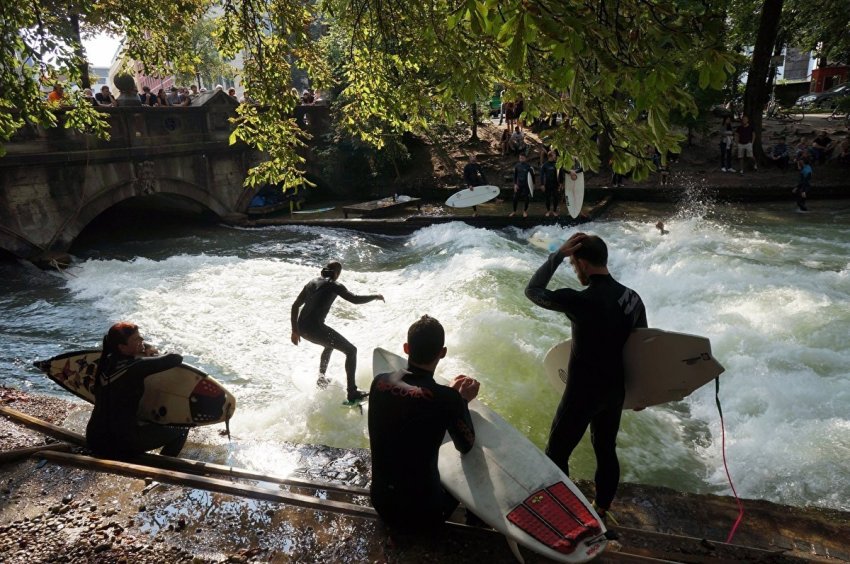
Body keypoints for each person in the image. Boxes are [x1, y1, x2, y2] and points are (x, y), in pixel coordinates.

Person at [525, 233, 647, 522]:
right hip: (614, 390)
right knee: (605, 450)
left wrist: (556, 255)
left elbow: (533, 290)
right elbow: (641, 345)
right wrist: (642, 392)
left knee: (556, 452)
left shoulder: (580, 300)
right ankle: (602, 508)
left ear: (581, 262)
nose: (574, 270)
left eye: (572, 263)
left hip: (583, 392)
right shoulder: (631, 298)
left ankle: (564, 514)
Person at [368, 315, 479, 533]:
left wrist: (450, 397)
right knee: (470, 470)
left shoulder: (379, 381)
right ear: (443, 352)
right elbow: (467, 445)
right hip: (423, 514)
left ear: (407, 348)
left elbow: (411, 407)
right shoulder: (447, 399)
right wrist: (461, 401)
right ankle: (477, 525)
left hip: (380, 502)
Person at [85, 322, 190, 458]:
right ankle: (163, 467)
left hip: (94, 439)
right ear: (122, 347)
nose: (142, 340)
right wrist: (150, 350)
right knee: (182, 430)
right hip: (119, 444)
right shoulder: (137, 367)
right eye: (136, 339)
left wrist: (141, 347)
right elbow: (175, 358)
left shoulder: (104, 362)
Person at [291, 261, 384, 402]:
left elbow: (295, 305)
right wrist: (375, 296)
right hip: (315, 328)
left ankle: (321, 379)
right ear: (337, 274)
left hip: (302, 328)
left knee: (330, 344)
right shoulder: (335, 285)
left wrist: (294, 330)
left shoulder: (311, 283)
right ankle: (352, 392)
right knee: (351, 351)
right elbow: (355, 299)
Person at [511, 152, 534, 218]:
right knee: (515, 198)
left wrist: (532, 186)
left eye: (522, 158)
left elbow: (532, 177)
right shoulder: (517, 166)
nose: (521, 159)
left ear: (525, 158)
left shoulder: (529, 167)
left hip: (526, 185)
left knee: (526, 198)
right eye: (520, 158)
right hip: (518, 185)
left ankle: (525, 211)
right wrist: (515, 184)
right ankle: (514, 211)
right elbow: (515, 176)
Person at [540, 151, 562, 217]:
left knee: (556, 198)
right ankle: (548, 211)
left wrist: (561, 183)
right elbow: (541, 175)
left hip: (555, 184)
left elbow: (560, 174)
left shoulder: (557, 164)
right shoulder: (545, 165)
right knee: (547, 198)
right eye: (554, 155)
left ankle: (554, 211)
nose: (555, 156)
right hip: (547, 184)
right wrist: (542, 184)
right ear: (550, 156)